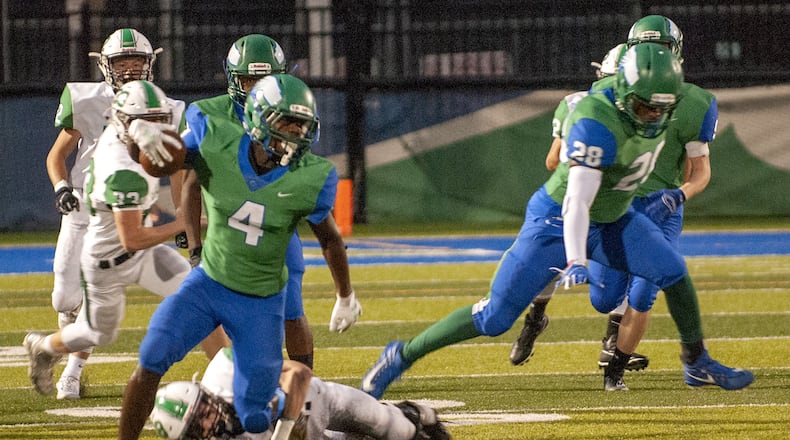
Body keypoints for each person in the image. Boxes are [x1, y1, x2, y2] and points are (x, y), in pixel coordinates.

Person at [360, 43, 752, 400]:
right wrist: (577, 258)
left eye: (662, 107)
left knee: (673, 270)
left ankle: (696, 359)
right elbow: (576, 202)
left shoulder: (676, 100)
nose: (654, 115)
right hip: (556, 219)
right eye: (645, 106)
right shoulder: (595, 119)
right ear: (622, 93)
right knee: (495, 318)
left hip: (614, 214)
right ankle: (402, 355)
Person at [118, 74, 362, 440]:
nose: (296, 134)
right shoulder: (214, 137)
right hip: (209, 285)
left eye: (302, 125)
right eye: (287, 122)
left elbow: (329, 238)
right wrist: (147, 141)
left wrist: (345, 294)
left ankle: (335, 420)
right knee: (151, 357)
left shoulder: (311, 176)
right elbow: (167, 164)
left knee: (254, 417)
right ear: (258, 119)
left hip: (261, 304)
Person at [511, 15, 735, 391]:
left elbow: (699, 169)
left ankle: (614, 367)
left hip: (659, 210)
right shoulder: (594, 103)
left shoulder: (693, 102)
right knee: (602, 296)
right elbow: (559, 160)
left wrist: (676, 195)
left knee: (646, 290)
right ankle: (548, 316)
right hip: (613, 206)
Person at [24, 80, 227, 399]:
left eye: (159, 119)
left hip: (143, 255)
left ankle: (227, 380)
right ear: (121, 122)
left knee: (200, 299)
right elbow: (132, 238)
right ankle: (44, 347)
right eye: (143, 122)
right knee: (96, 332)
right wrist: (184, 224)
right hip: (108, 262)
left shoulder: (127, 141)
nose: (153, 129)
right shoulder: (121, 168)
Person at [508, 43, 652, 371]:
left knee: (627, 263)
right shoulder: (579, 106)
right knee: (551, 256)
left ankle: (610, 339)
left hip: (610, 205)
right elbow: (552, 160)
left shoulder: (637, 115)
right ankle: (536, 319)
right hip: (575, 200)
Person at [181, 34, 318, 369]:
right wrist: (194, 247)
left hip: (274, 234)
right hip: (226, 240)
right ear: (233, 80)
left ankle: (306, 390)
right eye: (249, 80)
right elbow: (189, 183)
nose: (257, 88)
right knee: (217, 319)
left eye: (265, 80)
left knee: (292, 313)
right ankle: (236, 386)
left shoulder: (292, 115)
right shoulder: (208, 116)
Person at [43, 28, 163, 399]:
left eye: (136, 61)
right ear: (106, 66)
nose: (129, 68)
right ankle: (71, 327)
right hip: (81, 204)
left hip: (122, 212)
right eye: (122, 61)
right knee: (64, 299)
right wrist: (62, 188)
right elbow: (56, 156)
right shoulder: (86, 99)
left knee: (98, 289)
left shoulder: (162, 105)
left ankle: (73, 374)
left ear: (150, 64)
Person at [149, 348, 451, 439]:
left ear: (205, 392)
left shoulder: (226, 369)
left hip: (314, 402)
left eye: (202, 410)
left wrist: (280, 409)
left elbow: (299, 372)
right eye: (195, 427)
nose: (207, 422)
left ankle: (410, 413)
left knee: (395, 430)